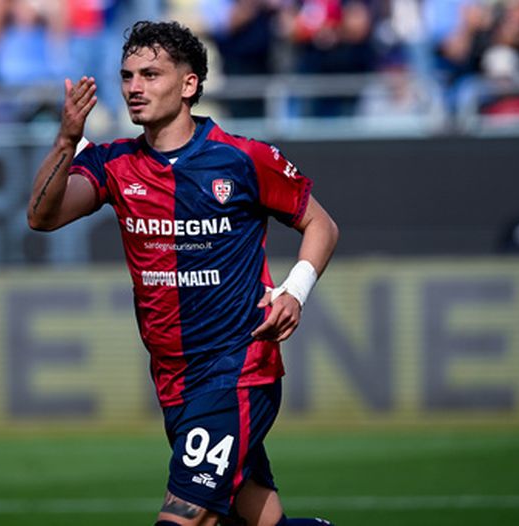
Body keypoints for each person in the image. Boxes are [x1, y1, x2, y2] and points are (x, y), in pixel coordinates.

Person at [27, 19, 339, 526]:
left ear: (189, 84)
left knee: (184, 517)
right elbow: (43, 216)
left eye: (151, 74)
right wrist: (67, 137)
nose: (134, 87)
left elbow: (320, 224)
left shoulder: (241, 159)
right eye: (127, 76)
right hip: (175, 377)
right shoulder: (114, 164)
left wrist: (295, 291)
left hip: (238, 369)